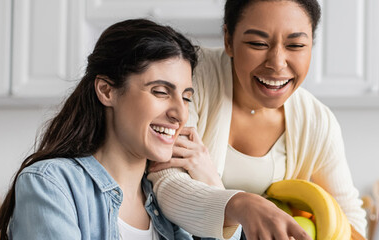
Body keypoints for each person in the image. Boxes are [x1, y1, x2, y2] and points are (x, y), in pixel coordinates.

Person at [0, 19, 236, 240]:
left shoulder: (169, 203)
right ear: (107, 91)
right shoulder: (52, 184)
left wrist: (211, 179)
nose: (180, 114)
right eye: (160, 92)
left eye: (186, 97)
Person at [147, 0, 367, 239]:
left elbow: (350, 220)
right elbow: (165, 182)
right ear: (228, 40)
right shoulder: (190, 77)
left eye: (295, 45)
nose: (277, 63)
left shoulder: (316, 121)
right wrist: (241, 205)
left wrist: (209, 178)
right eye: (258, 43)